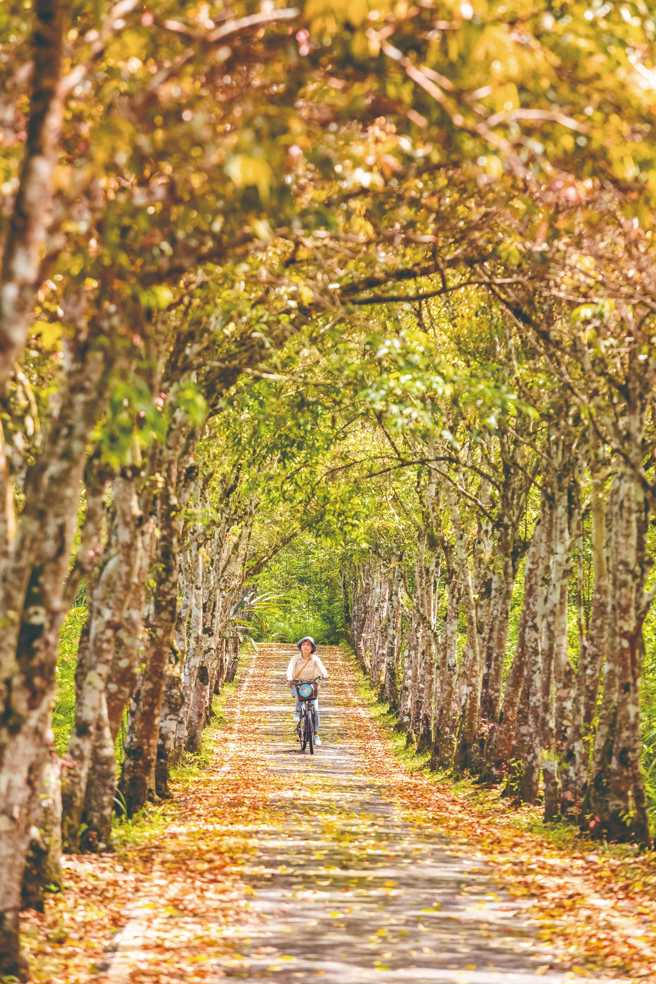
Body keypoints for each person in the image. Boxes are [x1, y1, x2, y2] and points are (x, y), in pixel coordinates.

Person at [286, 636, 328, 746]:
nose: (306, 647)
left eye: (309, 645)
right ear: (300, 646)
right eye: (304, 644)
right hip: (298, 683)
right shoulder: (295, 658)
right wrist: (290, 677)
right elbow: (290, 668)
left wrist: (324, 674)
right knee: (299, 700)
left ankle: (316, 734)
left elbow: (321, 667)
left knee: (316, 710)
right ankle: (297, 713)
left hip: (311, 684)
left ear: (312, 648)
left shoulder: (315, 658)